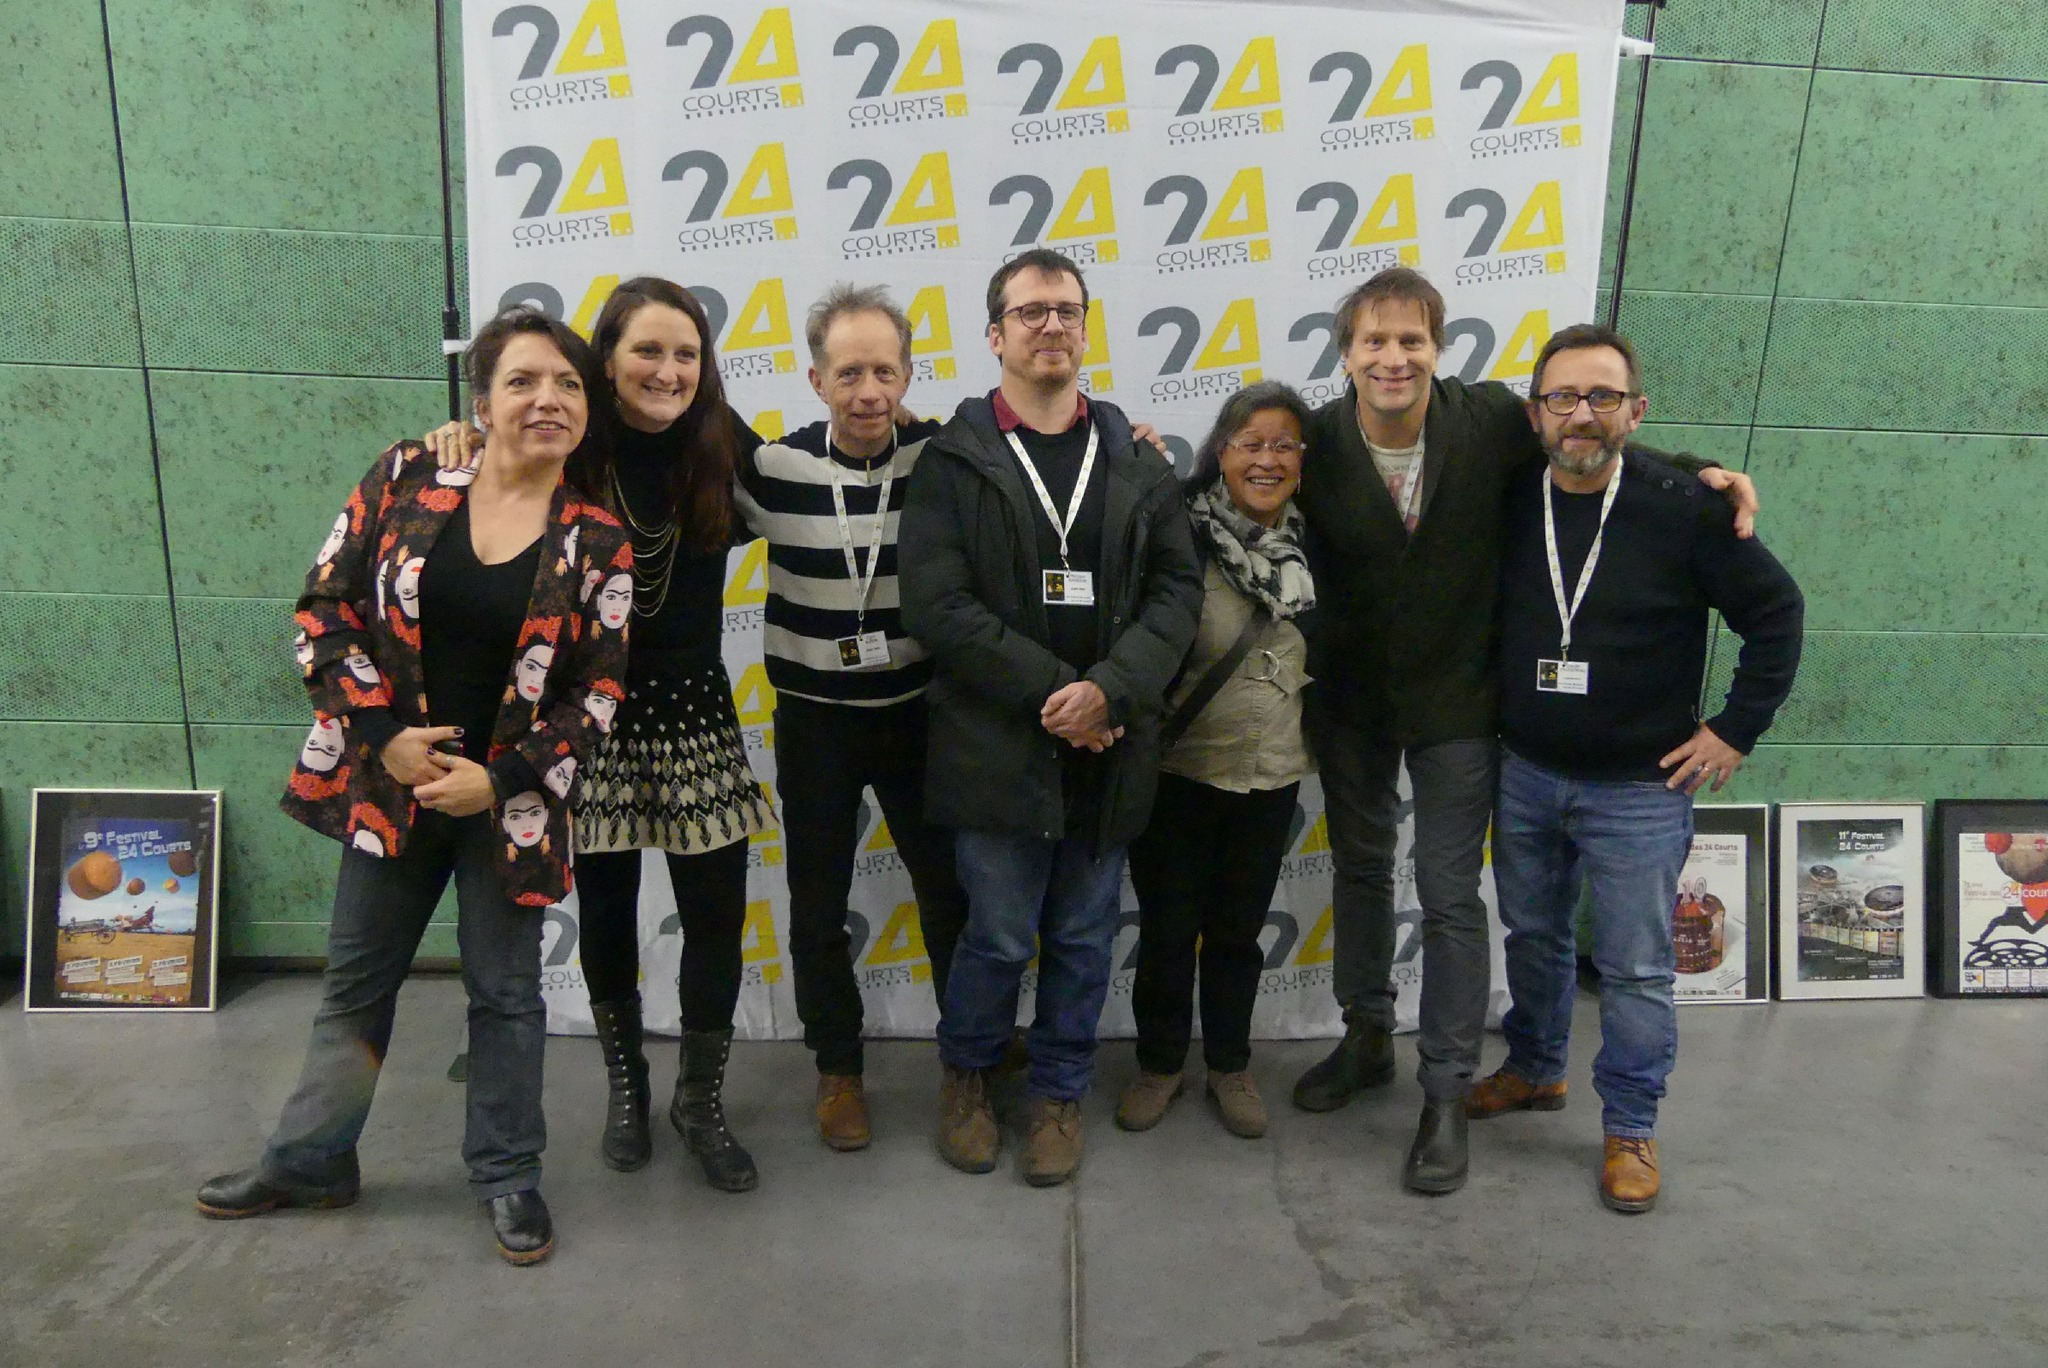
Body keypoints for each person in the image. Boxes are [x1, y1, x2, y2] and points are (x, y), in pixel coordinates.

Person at [1289, 267, 1760, 1196]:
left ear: (1439, 349)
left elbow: (1589, 441)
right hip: (1351, 704)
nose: (1394, 357)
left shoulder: (1491, 420)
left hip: (1461, 702)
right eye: (1374, 341)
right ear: (1345, 354)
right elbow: (1239, 473)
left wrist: (1703, 471)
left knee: (1450, 896)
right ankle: (1366, 1036)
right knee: (1359, 871)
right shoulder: (1316, 440)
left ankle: (1444, 1091)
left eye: (1412, 339)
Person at [195, 308, 632, 1266]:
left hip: (508, 806)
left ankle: (508, 1175)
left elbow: (598, 693)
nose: (547, 399)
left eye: (567, 385)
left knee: (506, 995)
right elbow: (325, 607)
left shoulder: (598, 540)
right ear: (484, 403)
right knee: (355, 986)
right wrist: (382, 738)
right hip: (390, 788)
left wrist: (499, 778)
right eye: (523, 381)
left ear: (587, 410)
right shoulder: (406, 477)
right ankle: (312, 1161)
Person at [428, 278, 772, 1193]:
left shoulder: (724, 442)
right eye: (646, 351)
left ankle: (701, 1100)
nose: (668, 370)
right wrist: (457, 438)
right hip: (589, 714)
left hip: (697, 710)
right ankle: (629, 1088)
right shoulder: (573, 446)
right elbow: (489, 474)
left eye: (686, 354)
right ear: (605, 362)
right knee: (608, 909)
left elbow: (837, 462)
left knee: (716, 914)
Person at [1469, 323, 1802, 1212]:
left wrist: (1736, 729)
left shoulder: (1686, 507)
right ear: (1535, 413)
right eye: (1562, 397)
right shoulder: (1508, 493)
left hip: (1640, 791)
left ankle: (1630, 1127)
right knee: (1532, 937)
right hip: (1526, 770)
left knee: (1635, 968)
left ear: (1636, 410)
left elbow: (1777, 613)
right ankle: (1536, 1067)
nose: (1581, 414)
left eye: (1603, 397)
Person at [900, 248, 1203, 1186]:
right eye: (1030, 311)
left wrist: (1110, 691)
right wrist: (1060, 696)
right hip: (996, 750)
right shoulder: (952, 461)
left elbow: (1178, 591)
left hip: (1109, 750)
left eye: (1066, 309)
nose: (1051, 325)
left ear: (1085, 327)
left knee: (1080, 937)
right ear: (995, 336)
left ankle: (1060, 1092)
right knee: (994, 935)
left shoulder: (1135, 457)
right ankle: (969, 1076)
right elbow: (938, 606)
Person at [731, 285, 968, 1152]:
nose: (869, 392)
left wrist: (1130, 437)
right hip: (814, 726)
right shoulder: (773, 470)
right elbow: (667, 484)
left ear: (908, 376)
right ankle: (837, 1070)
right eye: (849, 373)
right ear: (815, 380)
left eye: (884, 372)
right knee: (816, 906)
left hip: (918, 719)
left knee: (950, 896)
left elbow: (1046, 445)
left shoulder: (945, 458)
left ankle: (969, 1058)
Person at [1115, 381, 1318, 1142]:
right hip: (1179, 771)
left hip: (1271, 773)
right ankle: (1160, 1065)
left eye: (1284, 445)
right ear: (1220, 453)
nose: (1267, 460)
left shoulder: (1320, 544)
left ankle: (1230, 1066)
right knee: (1168, 930)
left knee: (1237, 933)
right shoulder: (1178, 532)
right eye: (1250, 444)